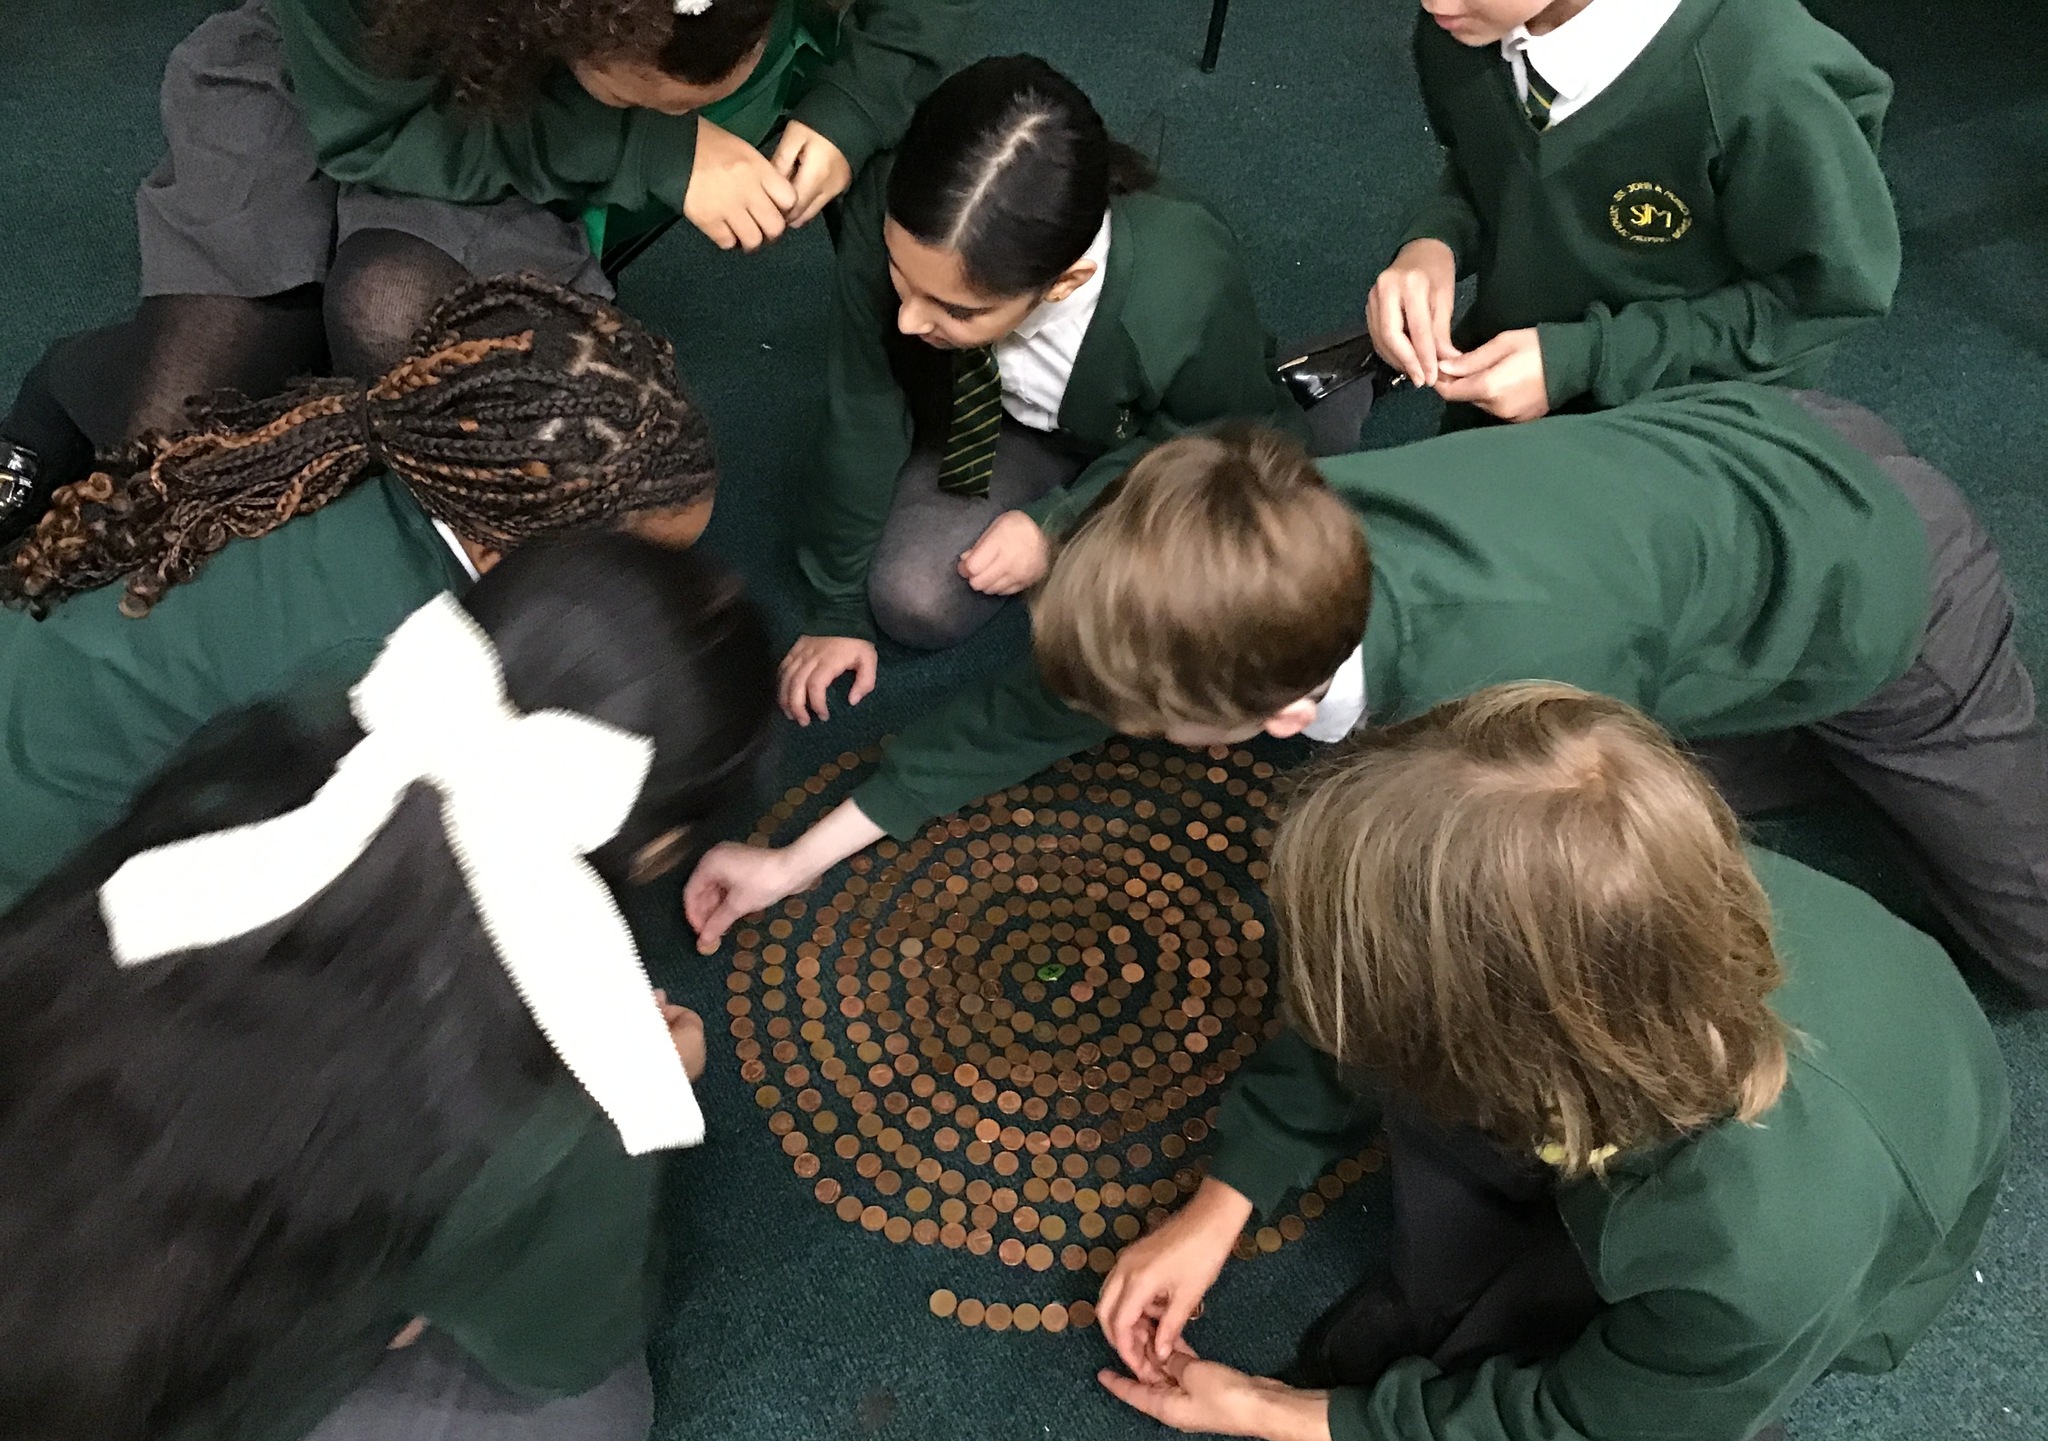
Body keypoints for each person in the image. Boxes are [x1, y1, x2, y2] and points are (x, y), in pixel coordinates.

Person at [684, 385, 2048, 1005]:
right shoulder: (1255, 554)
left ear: (1279, 714)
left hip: (1879, 580)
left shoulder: (1490, 709)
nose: (1118, 731)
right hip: (1736, 454)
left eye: (1152, 728)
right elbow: (1035, 710)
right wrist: (795, 858)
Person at [1091, 683, 2009, 1441]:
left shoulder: (1758, 1254)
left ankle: (1694, 1390)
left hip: (1750, 1282)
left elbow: (1588, 1433)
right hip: (1630, 1117)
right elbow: (1357, 1014)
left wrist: (1269, 1410)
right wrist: (1227, 1198)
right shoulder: (1612, 888)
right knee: (1419, 1108)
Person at [0, 532, 776, 1441]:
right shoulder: (566, 1081)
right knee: (593, 1421)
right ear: (661, 842)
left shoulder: (290, 737)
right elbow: (565, 1348)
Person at [0, 0, 976, 533]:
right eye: (646, 99)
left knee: (389, 317)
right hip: (369, 84)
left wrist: (848, 109)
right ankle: (64, 388)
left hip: (534, 143)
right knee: (168, 450)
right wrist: (651, 151)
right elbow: (374, 133)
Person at [0, 273, 718, 911]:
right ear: (502, 547)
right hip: (48, 874)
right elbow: (376, 882)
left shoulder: (370, 435)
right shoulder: (394, 659)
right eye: (642, 568)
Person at [778, 54, 1306, 726]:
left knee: (1227, 578)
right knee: (914, 597)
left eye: (956, 309)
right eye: (900, 278)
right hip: (998, 419)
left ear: (1065, 282)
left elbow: (1215, 437)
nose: (908, 321)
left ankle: (1333, 380)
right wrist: (836, 609)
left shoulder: (1182, 282)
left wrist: (1059, 522)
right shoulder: (897, 203)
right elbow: (863, 408)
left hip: (1149, 435)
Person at [1366, 0, 1898, 426]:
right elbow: (1488, 163)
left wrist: (1587, 359)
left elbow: (1821, 298)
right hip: (1510, 393)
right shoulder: (1459, 31)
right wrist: (1434, 242)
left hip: (1691, 421)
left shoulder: (1767, 76)